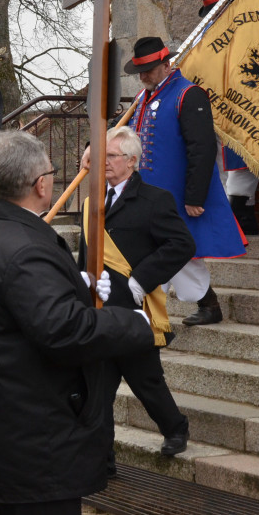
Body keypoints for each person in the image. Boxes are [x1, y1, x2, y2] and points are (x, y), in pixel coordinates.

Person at [0, 130, 155, 515]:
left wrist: (69, 285)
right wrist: (134, 323)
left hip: (4, 423)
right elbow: (65, 330)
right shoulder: (26, 247)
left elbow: (19, 308)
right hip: (36, 437)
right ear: (41, 184)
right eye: (51, 171)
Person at [104, 36, 246, 326]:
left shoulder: (188, 94)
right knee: (154, 250)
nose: (143, 76)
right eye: (140, 71)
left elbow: (202, 149)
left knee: (179, 252)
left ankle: (209, 304)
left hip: (178, 196)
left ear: (167, 65)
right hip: (148, 196)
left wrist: (195, 196)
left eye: (149, 69)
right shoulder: (144, 98)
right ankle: (153, 309)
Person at [79, 127, 196, 475]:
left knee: (146, 381)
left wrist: (141, 280)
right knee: (97, 391)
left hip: (134, 311)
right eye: (101, 158)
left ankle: (175, 428)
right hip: (99, 312)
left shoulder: (155, 199)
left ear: (131, 162)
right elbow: (87, 253)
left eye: (111, 157)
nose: (105, 164)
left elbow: (182, 245)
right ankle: (103, 461)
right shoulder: (91, 202)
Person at [201, 0, 259, 236]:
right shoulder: (204, 34)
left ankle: (235, 217)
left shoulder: (250, 30)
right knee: (219, 163)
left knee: (242, 160)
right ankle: (241, 217)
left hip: (245, 104)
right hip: (214, 105)